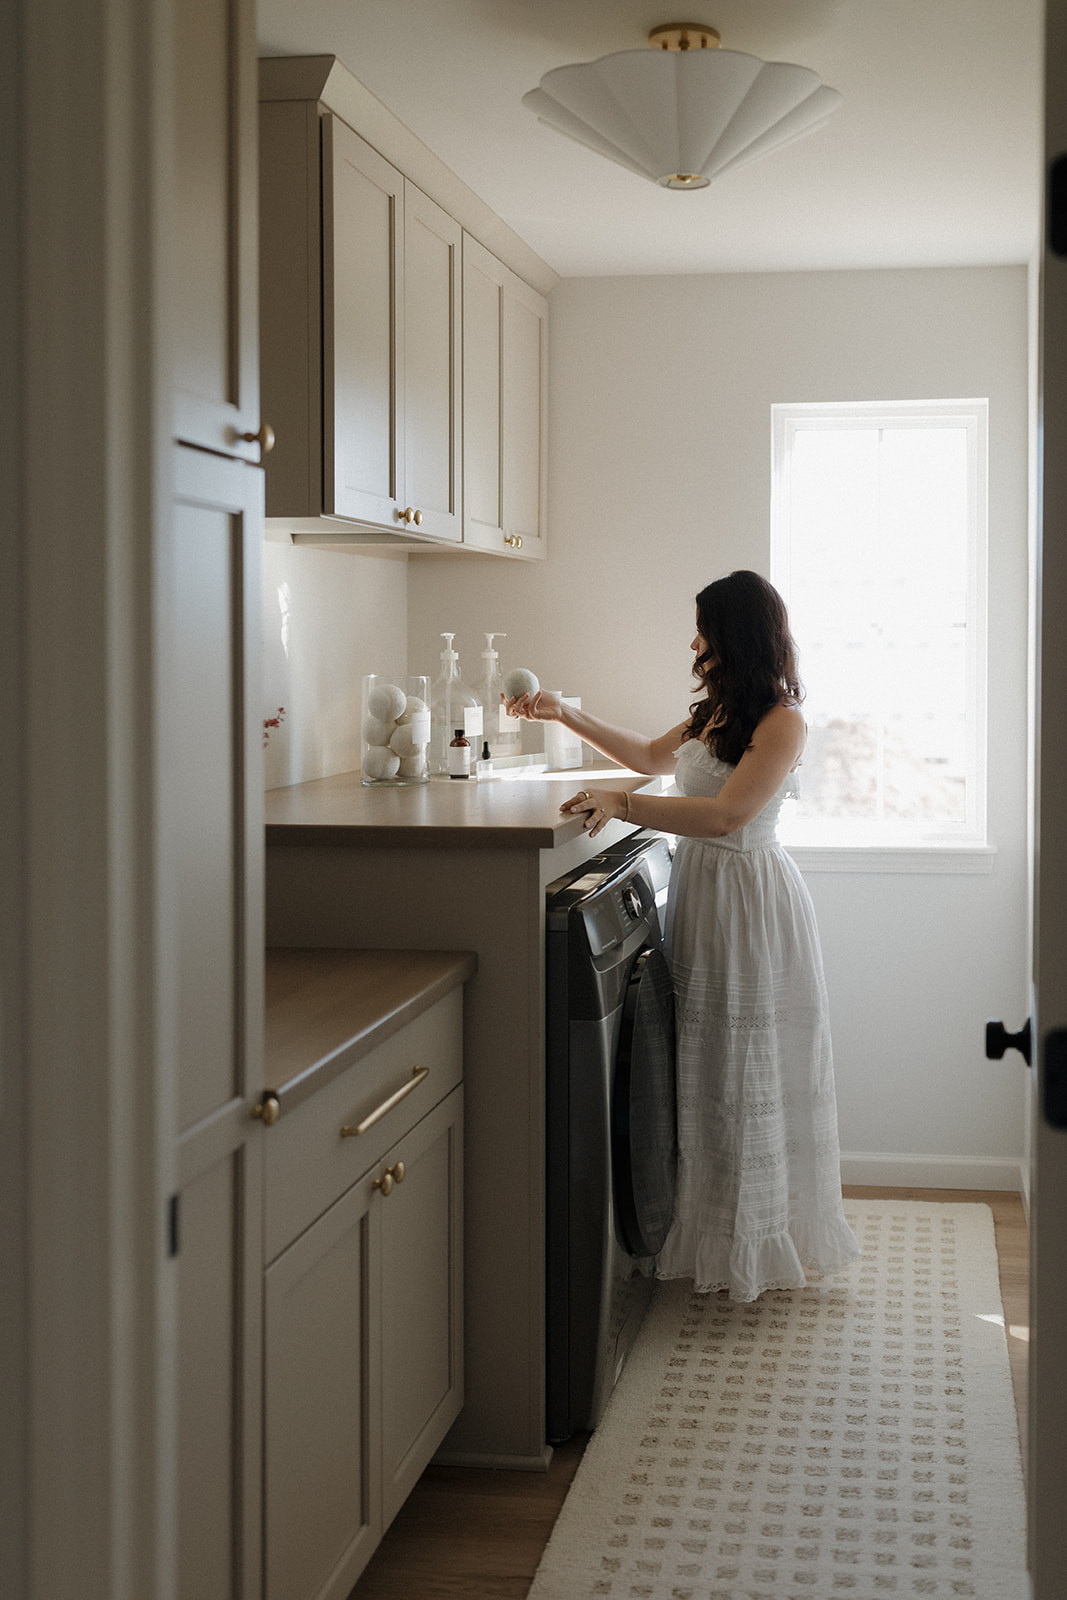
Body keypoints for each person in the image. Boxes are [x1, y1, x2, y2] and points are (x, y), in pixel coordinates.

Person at [507, 570, 859, 1303]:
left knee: (744, 1061)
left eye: (702, 627)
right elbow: (646, 755)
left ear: (734, 633)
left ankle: (759, 1242)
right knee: (703, 1061)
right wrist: (562, 713)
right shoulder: (718, 710)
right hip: (704, 894)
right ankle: (707, 1227)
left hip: (749, 902)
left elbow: (727, 816)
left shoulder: (781, 720)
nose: (693, 640)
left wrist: (624, 804)